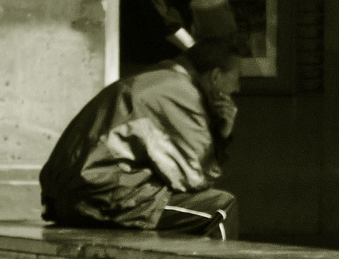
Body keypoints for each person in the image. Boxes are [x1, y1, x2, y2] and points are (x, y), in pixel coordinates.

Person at [39, 38, 243, 240]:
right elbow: (195, 180)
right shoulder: (181, 93)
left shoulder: (157, 78)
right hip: (99, 196)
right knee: (220, 207)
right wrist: (222, 135)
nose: (237, 89)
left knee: (184, 208)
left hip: (67, 197)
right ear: (215, 77)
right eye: (237, 78)